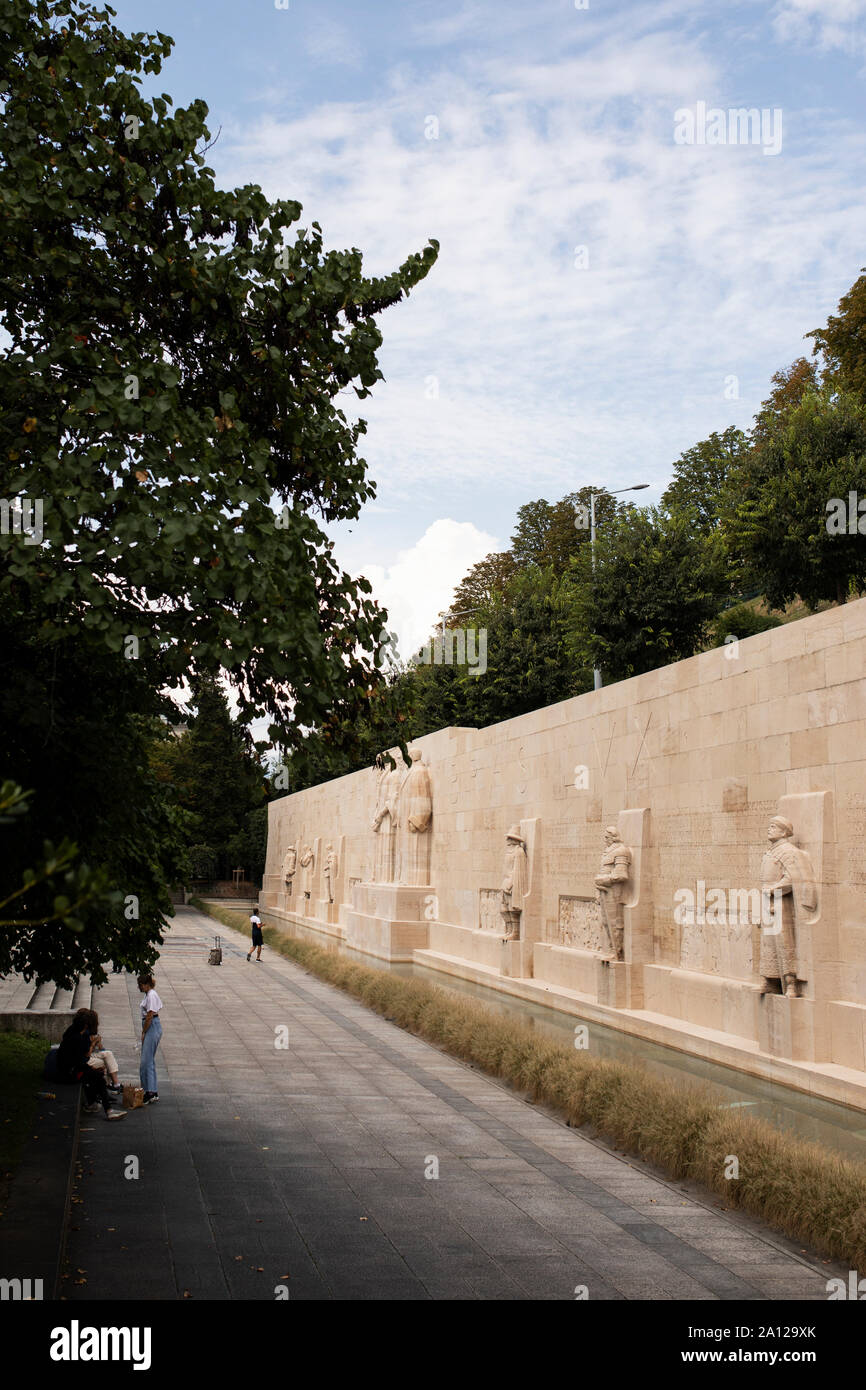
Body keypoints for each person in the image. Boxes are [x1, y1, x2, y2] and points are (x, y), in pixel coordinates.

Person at [56, 1008, 126, 1120]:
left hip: (70, 1067)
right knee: (97, 1076)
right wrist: (91, 1068)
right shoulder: (77, 1038)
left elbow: (78, 1060)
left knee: (94, 1075)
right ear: (86, 1025)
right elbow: (79, 1060)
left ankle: (95, 1103)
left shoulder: (73, 1032)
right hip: (69, 1072)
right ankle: (108, 1110)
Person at [137, 973, 163, 1105]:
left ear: (146, 984)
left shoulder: (151, 995)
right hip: (152, 1027)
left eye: (141, 985)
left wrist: (144, 1031)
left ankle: (149, 1091)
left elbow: (150, 1015)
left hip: (152, 1026)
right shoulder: (149, 994)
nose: (140, 988)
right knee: (149, 1060)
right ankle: (151, 1089)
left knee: (145, 1061)